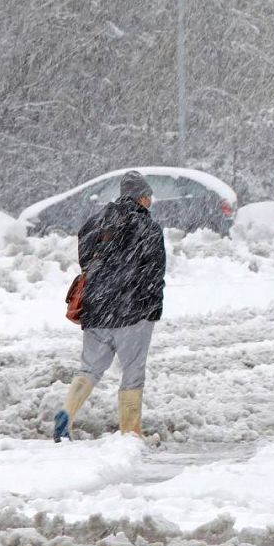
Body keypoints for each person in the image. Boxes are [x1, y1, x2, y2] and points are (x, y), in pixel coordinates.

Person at [54, 171, 166, 441]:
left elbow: (85, 262)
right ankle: (131, 433)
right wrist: (152, 307)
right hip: (132, 312)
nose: (150, 201)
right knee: (132, 372)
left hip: (97, 308)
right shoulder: (148, 228)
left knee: (90, 369)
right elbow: (154, 273)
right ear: (141, 197)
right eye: (148, 196)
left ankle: (67, 414)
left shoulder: (95, 222)